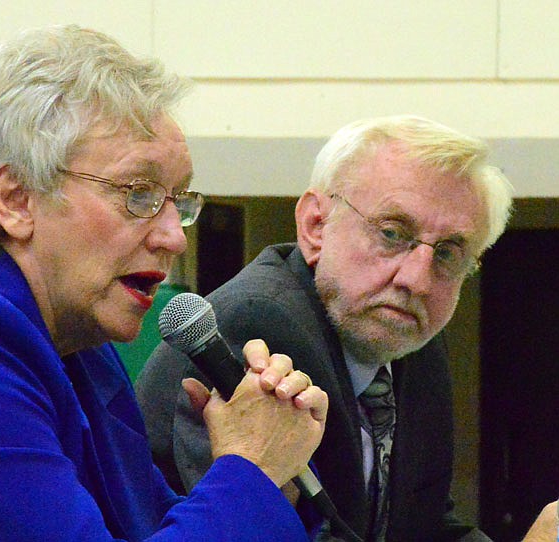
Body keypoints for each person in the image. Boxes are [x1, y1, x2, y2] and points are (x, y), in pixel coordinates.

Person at [0, 25, 329, 541]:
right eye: (138, 194)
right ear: (16, 199)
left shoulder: (78, 342)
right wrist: (249, 468)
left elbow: (147, 526)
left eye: (178, 200)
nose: (174, 238)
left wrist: (275, 472)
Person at [135, 115, 514, 541]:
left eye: (447, 254)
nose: (416, 280)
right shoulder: (255, 325)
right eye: (391, 233)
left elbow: (421, 525)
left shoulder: (408, 333)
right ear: (316, 226)